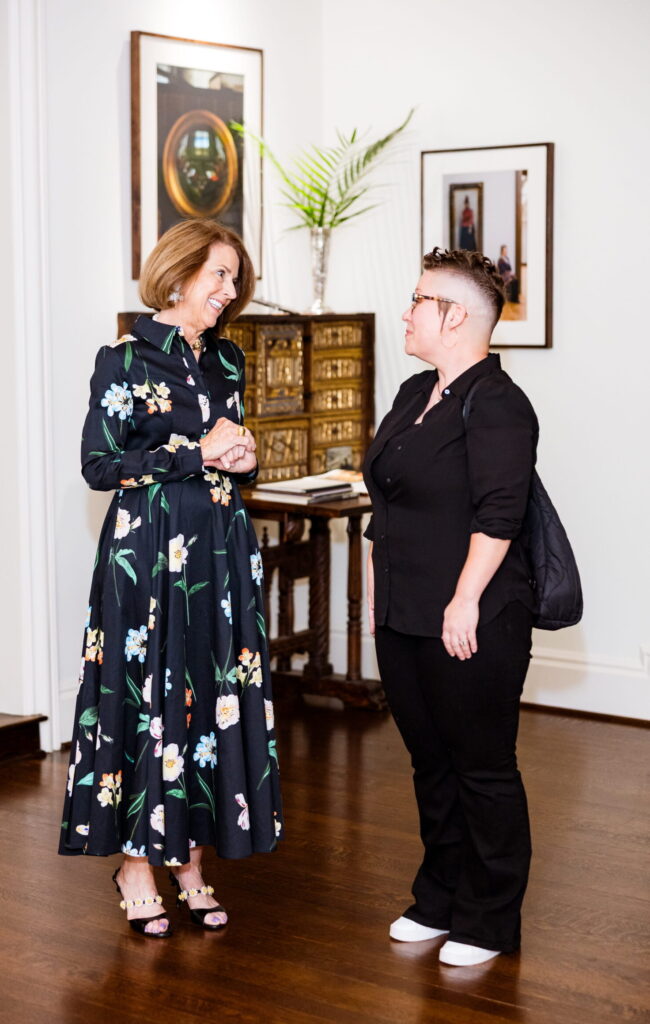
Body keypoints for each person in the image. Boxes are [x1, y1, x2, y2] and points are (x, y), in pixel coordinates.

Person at [59, 219, 283, 937]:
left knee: (200, 700)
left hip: (218, 552)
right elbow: (101, 467)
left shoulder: (227, 362)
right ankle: (134, 860)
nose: (230, 290)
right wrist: (193, 453)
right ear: (180, 274)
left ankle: (184, 854)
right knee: (149, 695)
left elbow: (232, 452)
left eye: (235, 279)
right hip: (148, 557)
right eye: (219, 274)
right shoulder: (123, 359)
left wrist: (244, 459)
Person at [363, 247, 538, 967]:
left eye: (417, 300)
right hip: (403, 615)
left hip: (473, 619)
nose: (406, 312)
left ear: (455, 315)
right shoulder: (414, 392)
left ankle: (489, 918)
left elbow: (500, 514)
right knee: (429, 762)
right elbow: (388, 500)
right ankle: (438, 897)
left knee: (481, 767)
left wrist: (464, 601)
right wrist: (379, 601)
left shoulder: (498, 403)